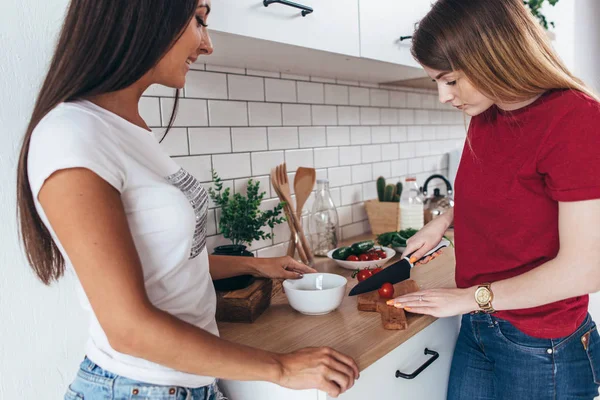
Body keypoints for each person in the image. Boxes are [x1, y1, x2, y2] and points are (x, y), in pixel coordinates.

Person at [16, 1, 359, 399]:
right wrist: (280, 367)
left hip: (188, 383)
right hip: (136, 388)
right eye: (199, 20)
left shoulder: (131, 131)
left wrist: (255, 264)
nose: (208, 44)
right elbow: (126, 326)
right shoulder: (71, 135)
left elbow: (165, 262)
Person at [387, 0, 600, 398]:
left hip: (541, 345)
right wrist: (445, 219)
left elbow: (586, 269)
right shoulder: (487, 116)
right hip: (479, 324)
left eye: (450, 80)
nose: (443, 97)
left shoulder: (576, 119)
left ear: (491, 54)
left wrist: (467, 298)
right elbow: (509, 191)